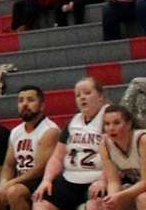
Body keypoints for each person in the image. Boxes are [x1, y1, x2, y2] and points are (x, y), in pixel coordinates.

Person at [0, 87, 62, 210]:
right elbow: (9, 165)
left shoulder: (49, 130)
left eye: (30, 100)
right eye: (21, 101)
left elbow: (40, 169)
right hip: (21, 180)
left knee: (14, 192)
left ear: (42, 106)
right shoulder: (16, 131)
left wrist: (12, 182)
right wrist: (3, 183)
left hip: (42, 180)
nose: (25, 104)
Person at [33, 77, 109, 210]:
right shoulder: (73, 122)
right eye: (78, 95)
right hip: (70, 178)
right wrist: (47, 180)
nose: (82, 98)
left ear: (101, 96)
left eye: (87, 93)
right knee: (40, 202)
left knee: (95, 205)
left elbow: (118, 156)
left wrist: (104, 180)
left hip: (98, 177)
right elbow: (57, 157)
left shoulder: (110, 118)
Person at [97, 105, 146, 210]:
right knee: (108, 204)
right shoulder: (104, 145)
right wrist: (112, 198)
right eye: (107, 124)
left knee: (143, 199)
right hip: (136, 184)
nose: (111, 128)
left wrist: (119, 196)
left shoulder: (145, 140)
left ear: (129, 124)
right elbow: (113, 181)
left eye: (116, 123)